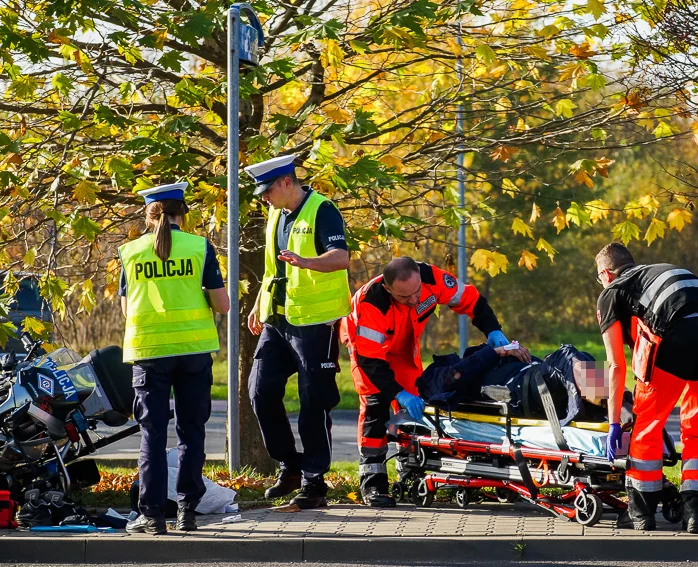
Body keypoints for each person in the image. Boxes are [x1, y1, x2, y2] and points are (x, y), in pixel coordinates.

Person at [341, 257, 509, 507]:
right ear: (388, 290)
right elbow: (370, 362)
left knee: (414, 410)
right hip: (370, 353)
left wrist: (493, 329)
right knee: (376, 403)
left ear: (419, 277)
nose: (414, 300)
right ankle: (373, 483)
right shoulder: (372, 303)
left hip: (404, 349)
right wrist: (397, 393)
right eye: (404, 297)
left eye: (416, 292)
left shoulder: (432, 279)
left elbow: (471, 301)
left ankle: (409, 472)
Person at [118, 182, 229, 535]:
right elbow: (222, 303)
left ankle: (152, 516)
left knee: (152, 434)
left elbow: (125, 306)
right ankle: (187, 512)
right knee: (191, 432)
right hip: (193, 352)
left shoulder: (130, 251)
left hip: (150, 353)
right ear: (183, 214)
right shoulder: (199, 247)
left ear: (148, 215)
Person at [244, 155, 351, 509]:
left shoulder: (322, 209)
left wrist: (308, 262)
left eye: (267, 190)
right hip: (278, 321)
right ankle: (290, 465)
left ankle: (314, 481)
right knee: (259, 391)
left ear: (287, 182)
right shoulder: (276, 213)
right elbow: (273, 268)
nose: (264, 198)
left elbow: (340, 258)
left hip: (315, 322)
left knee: (313, 401)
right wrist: (259, 303)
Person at [595, 242, 698, 532]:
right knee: (696, 429)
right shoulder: (658, 273)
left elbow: (615, 365)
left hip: (674, 336)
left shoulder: (612, 292)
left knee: (647, 426)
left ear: (606, 273)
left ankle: (641, 512)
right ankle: (695, 512)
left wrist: (615, 422)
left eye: (599, 278)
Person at [416, 343, 633, 425]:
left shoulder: (475, 360)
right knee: (566, 357)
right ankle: (625, 407)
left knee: (576, 357)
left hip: (530, 381)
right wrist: (495, 352)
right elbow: (453, 377)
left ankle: (622, 405)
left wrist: (534, 359)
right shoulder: (433, 377)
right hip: (518, 393)